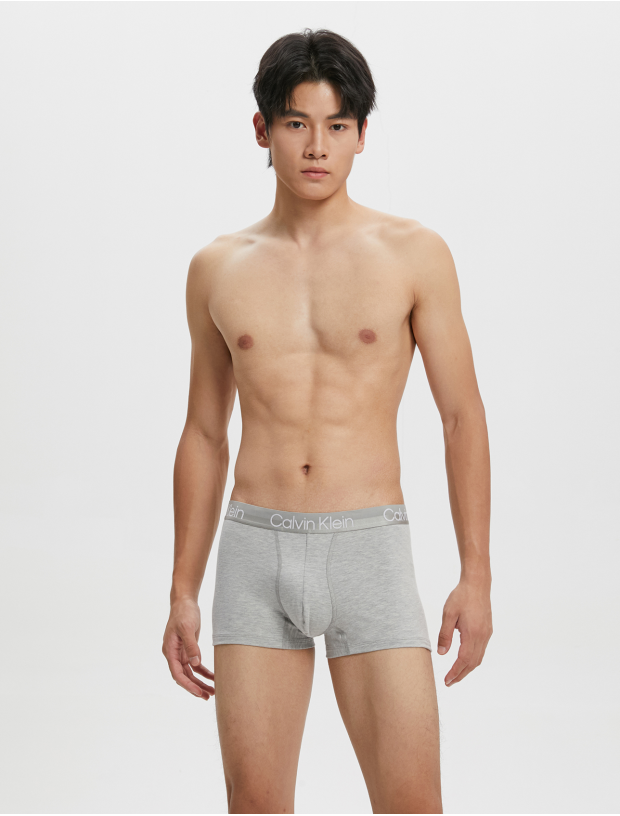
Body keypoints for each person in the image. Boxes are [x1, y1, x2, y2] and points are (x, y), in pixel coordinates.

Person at [162, 28, 492, 815]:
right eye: (296, 123)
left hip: (368, 546)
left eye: (337, 125)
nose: (317, 146)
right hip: (255, 549)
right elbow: (204, 434)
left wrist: (476, 575)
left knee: (411, 803)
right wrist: (182, 589)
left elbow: (460, 417)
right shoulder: (217, 267)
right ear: (262, 129)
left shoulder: (414, 254)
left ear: (362, 134)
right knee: (255, 804)